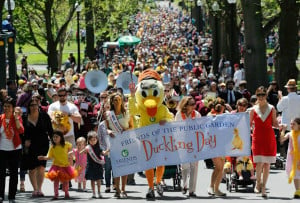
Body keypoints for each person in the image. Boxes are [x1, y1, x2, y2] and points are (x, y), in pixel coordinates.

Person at [250, 86, 279, 198]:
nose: (261, 97)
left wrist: (281, 126)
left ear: (266, 96)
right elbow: (248, 124)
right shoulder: (253, 110)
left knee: (267, 164)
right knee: (259, 163)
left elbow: (274, 123)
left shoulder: (271, 108)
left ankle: (263, 187)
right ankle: (258, 182)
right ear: (256, 96)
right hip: (257, 137)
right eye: (259, 95)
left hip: (268, 136)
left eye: (263, 94)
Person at [22, 98, 53, 197]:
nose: (34, 107)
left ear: (38, 105)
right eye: (32, 105)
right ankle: (34, 189)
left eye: (35, 105)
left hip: (43, 144)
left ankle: (39, 189)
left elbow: (50, 131)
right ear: (28, 107)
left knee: (41, 167)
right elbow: (20, 132)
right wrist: (24, 141)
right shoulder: (24, 117)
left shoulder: (44, 116)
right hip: (30, 146)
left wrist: (55, 143)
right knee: (32, 168)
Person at [106, 92, 134, 198]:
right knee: (116, 167)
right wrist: (109, 132)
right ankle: (117, 189)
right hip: (114, 143)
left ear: (122, 101)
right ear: (112, 102)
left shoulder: (127, 113)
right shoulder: (108, 115)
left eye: (119, 99)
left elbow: (132, 126)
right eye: (115, 100)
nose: (117, 102)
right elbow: (106, 128)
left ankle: (123, 189)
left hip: (125, 142)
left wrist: (126, 130)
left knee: (125, 166)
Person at [38, 130, 77, 200]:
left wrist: (72, 157)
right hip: (56, 166)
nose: (55, 138)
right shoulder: (52, 147)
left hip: (65, 166)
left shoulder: (66, 144)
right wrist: (43, 157)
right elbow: (49, 157)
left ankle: (66, 192)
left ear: (61, 137)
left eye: (57, 137)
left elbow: (71, 152)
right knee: (56, 181)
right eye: (54, 137)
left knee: (66, 181)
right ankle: (56, 194)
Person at [175, 96, 200, 197]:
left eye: (195, 104)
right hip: (182, 143)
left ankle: (192, 190)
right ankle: (184, 184)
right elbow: (175, 129)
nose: (194, 106)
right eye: (191, 104)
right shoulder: (179, 115)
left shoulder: (197, 114)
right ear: (186, 105)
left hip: (194, 142)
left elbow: (201, 127)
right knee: (185, 166)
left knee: (194, 166)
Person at [0, 97, 24, 203]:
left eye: (9, 106)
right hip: (2, 149)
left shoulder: (17, 118)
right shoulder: (0, 118)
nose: (6, 108)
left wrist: (16, 118)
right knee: (1, 174)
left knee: (14, 174)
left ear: (13, 108)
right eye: (4, 106)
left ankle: (11, 197)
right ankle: (0, 195)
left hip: (15, 149)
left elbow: (21, 130)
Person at [207, 97, 227, 197]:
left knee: (221, 168)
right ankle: (210, 186)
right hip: (213, 144)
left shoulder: (225, 115)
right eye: (218, 106)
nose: (220, 108)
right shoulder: (210, 115)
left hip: (222, 145)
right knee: (218, 167)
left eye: (222, 106)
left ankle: (217, 188)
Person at [81, 131, 108, 199]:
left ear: (97, 140)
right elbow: (81, 153)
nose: (93, 141)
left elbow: (103, 153)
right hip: (90, 166)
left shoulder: (99, 147)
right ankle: (93, 193)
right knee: (92, 180)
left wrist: (106, 152)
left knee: (98, 180)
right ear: (88, 140)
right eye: (91, 140)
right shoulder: (88, 147)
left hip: (98, 166)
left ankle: (99, 192)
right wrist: (83, 150)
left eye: (94, 140)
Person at [280, 118, 300, 199]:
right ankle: (297, 191)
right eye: (291, 124)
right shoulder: (290, 134)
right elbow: (281, 140)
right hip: (292, 157)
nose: (291, 126)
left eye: (293, 124)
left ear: (299, 125)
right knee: (295, 174)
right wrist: (283, 130)